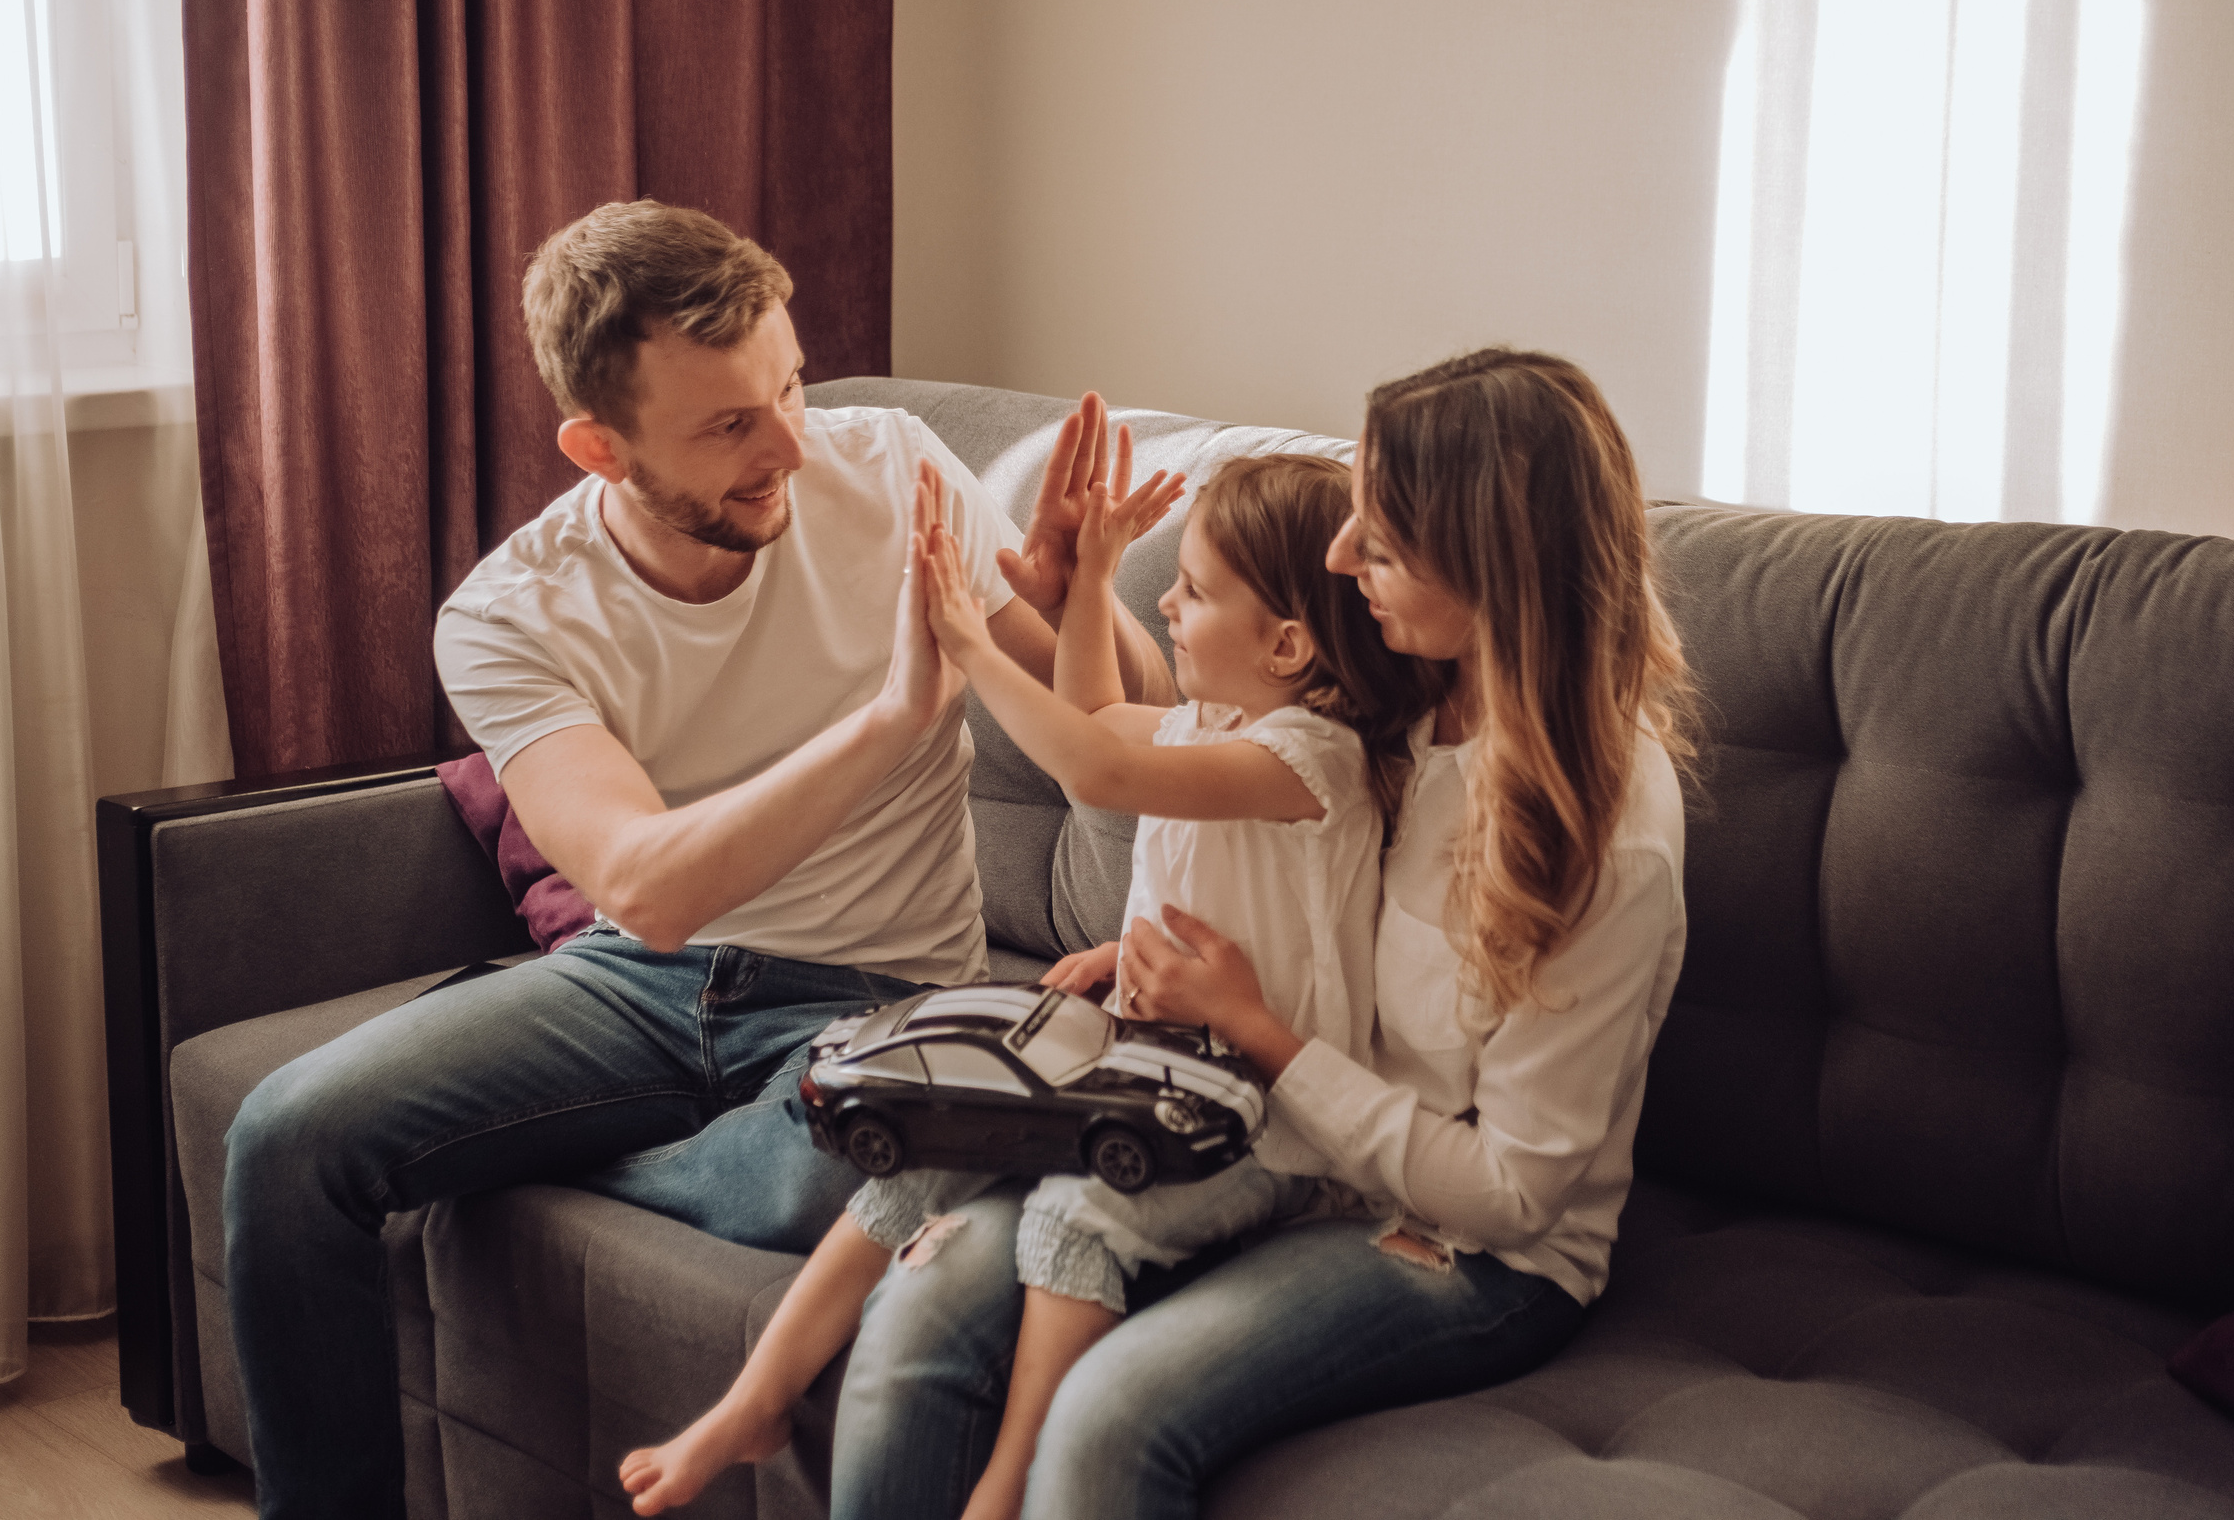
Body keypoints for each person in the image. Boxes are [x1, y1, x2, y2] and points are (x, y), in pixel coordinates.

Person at [216, 200, 1176, 1520]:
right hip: (640, 982)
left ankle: (557, 1151)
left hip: (881, 995)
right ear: (599, 447)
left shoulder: (889, 466)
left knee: (846, 1176)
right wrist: (889, 717)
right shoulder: (510, 615)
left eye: (786, 385)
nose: (792, 441)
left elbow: (1138, 720)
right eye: (729, 423)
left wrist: (1077, 599)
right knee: (286, 1137)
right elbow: (647, 888)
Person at [824, 347, 1698, 1520]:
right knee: (922, 1307)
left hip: (1470, 1246)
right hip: (1268, 1147)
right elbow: (1124, 734)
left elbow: (1508, 1194)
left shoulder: (1600, 830)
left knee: (1109, 1409)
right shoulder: (1390, 697)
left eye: (1379, 540)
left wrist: (1262, 1035)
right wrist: (1081, 580)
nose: (1342, 556)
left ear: (1491, 564)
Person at [617, 450, 1436, 1519]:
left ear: (1287, 642)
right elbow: (1094, 709)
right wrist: (1094, 578)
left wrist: (966, 639)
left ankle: (1003, 1490)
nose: (1171, 609)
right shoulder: (1218, 727)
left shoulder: (1310, 758)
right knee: (918, 1156)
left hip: (1272, 1129)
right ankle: (755, 1398)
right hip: (1156, 1066)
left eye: (1192, 591)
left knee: (1072, 1218)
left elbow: (1092, 767)